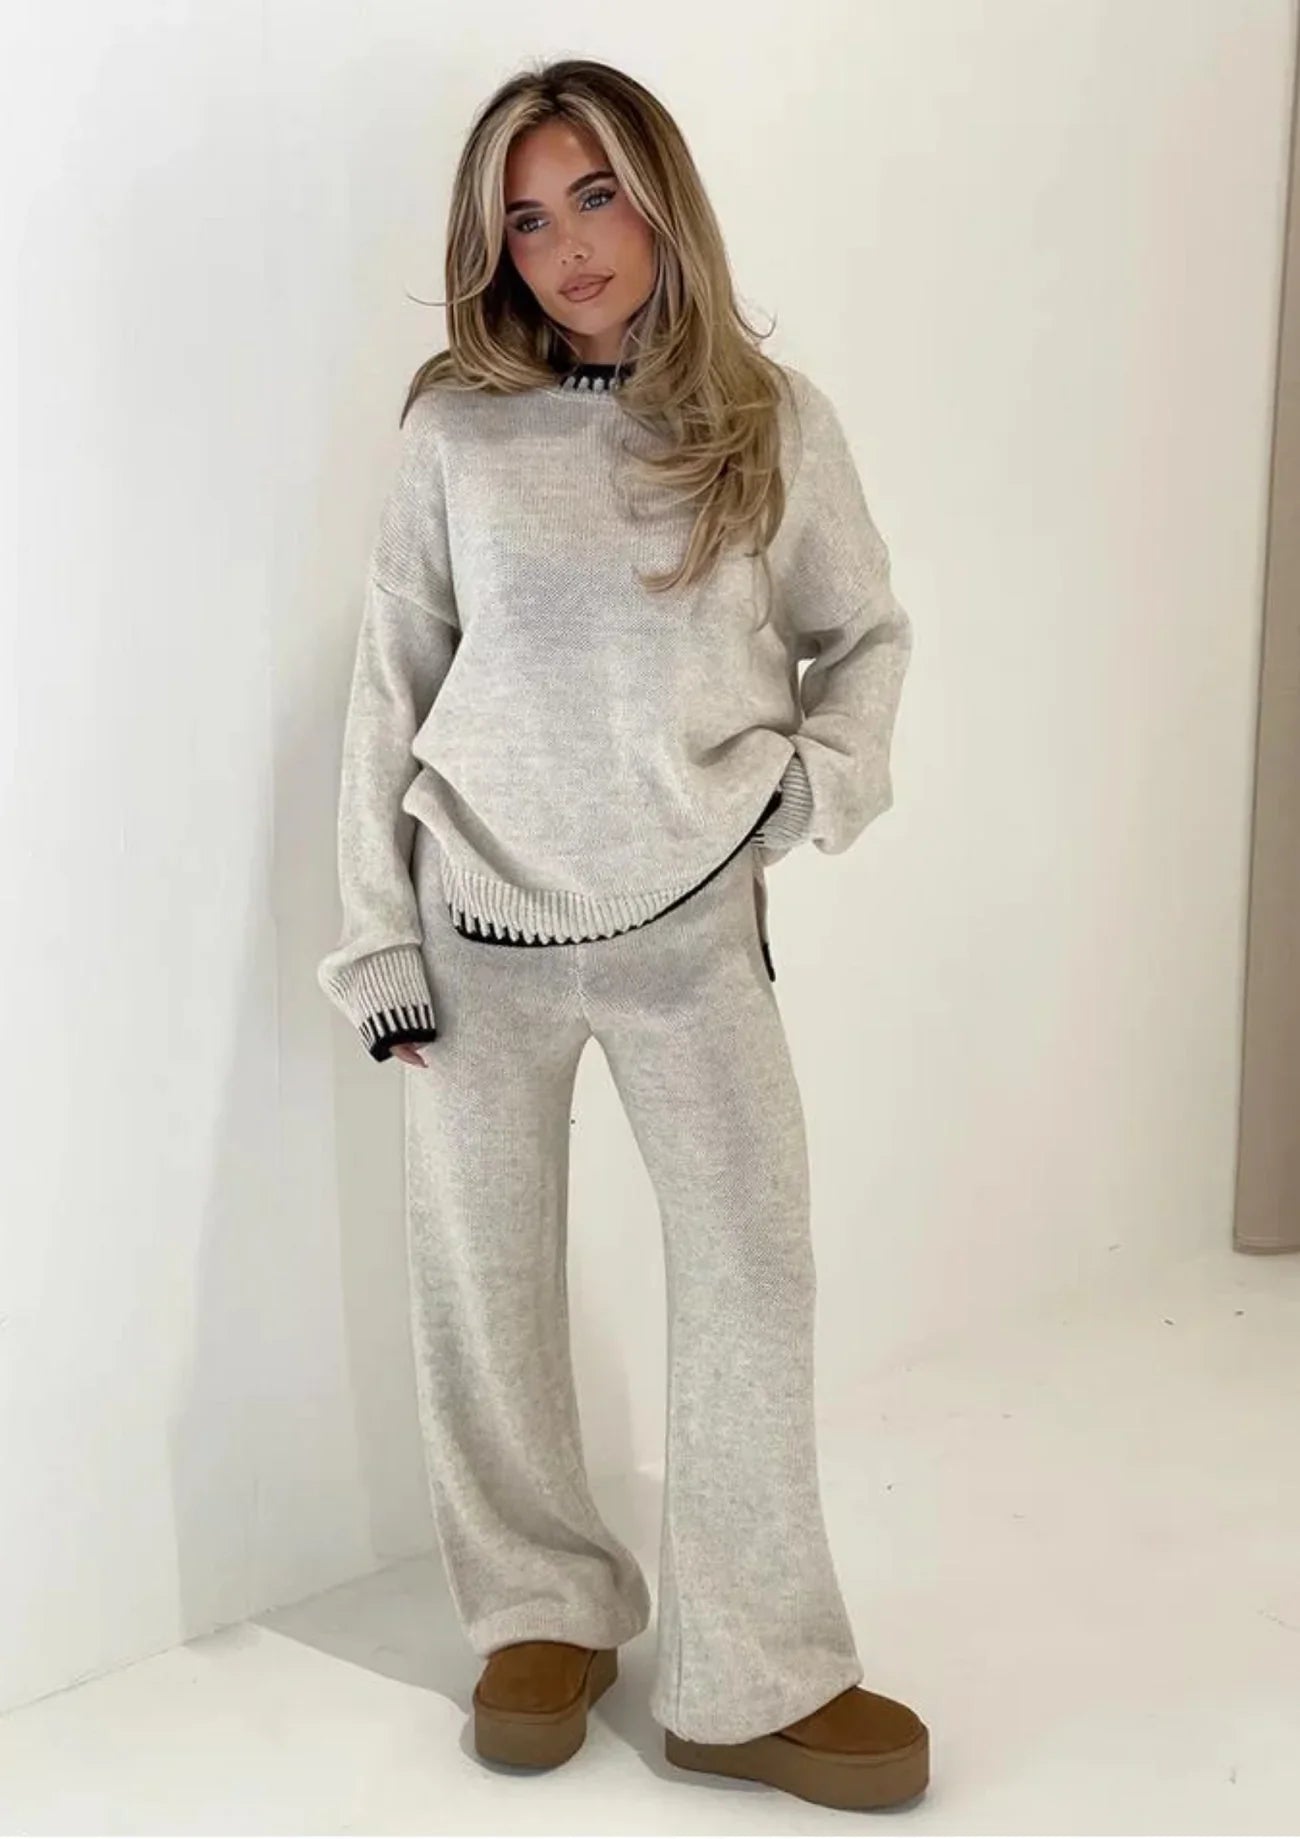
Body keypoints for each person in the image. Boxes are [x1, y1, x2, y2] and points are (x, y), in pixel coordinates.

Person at [317, 55, 928, 1814]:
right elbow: (391, 682)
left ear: (661, 198)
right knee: (482, 1287)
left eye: (595, 196)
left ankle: (751, 1674)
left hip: (689, 930)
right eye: (526, 218)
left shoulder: (770, 421)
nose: (569, 246)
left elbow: (863, 640)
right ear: (493, 248)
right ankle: (540, 1608)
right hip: (476, 922)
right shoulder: (457, 433)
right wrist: (377, 938)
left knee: (751, 1280)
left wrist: (809, 791)